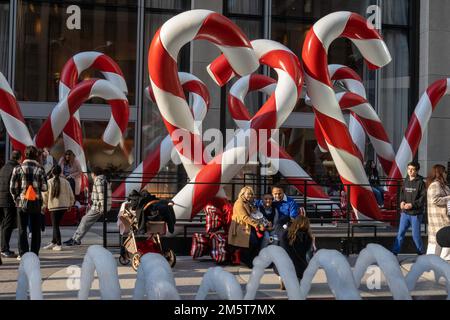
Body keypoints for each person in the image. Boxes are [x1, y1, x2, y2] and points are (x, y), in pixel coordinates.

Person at [10, 146, 48, 258]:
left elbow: (12, 188)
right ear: (36, 155)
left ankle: (23, 253)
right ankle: (34, 253)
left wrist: (16, 199)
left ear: (25, 155)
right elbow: (45, 187)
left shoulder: (17, 168)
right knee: (36, 230)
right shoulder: (40, 169)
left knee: (22, 229)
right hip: (36, 203)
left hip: (21, 203)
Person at [64, 166, 111, 246]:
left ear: (94, 174)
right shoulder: (102, 180)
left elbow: (101, 195)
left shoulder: (99, 181)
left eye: (91, 174)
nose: (91, 175)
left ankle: (76, 239)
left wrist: (102, 208)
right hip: (97, 206)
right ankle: (76, 238)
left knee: (85, 221)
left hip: (98, 207)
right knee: (85, 221)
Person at [392, 161, 426, 256]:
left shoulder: (421, 183)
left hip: (416, 214)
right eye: (408, 169)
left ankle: (421, 253)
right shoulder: (405, 181)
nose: (410, 171)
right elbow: (402, 194)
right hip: (405, 213)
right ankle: (394, 253)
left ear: (417, 171)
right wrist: (402, 202)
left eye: (412, 169)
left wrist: (412, 205)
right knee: (400, 234)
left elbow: (422, 199)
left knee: (415, 236)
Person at [228, 186, 265, 268]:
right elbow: (244, 217)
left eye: (252, 194)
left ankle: (250, 260)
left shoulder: (247, 202)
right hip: (240, 227)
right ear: (243, 194)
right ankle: (246, 260)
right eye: (248, 194)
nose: (250, 196)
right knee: (252, 241)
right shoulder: (239, 203)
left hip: (247, 226)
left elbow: (253, 214)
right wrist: (257, 225)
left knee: (255, 241)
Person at [274, 215, 314, 289]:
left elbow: (277, 224)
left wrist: (288, 217)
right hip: (299, 269)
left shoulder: (284, 234)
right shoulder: (308, 238)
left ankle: (283, 277)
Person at [42, 165, 75, 251]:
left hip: (53, 206)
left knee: (55, 225)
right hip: (64, 206)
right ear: (61, 172)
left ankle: (59, 244)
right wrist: (70, 204)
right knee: (56, 224)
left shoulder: (49, 182)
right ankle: (54, 242)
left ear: (52, 172)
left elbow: (45, 195)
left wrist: (44, 205)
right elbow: (71, 194)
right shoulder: (66, 182)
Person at [425, 164, 450, 260]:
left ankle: (443, 259)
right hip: (438, 218)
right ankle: (433, 261)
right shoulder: (435, 185)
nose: (446, 174)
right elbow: (435, 200)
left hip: (444, 217)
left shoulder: (443, 185)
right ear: (440, 173)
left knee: (443, 240)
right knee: (436, 241)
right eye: (444, 172)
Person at [0, 151, 21, 258]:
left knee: (4, 225)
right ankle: (4, 249)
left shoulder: (4, 168)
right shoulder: (16, 168)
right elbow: (15, 186)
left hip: (1, 199)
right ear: (19, 158)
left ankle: (4, 247)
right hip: (9, 200)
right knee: (7, 225)